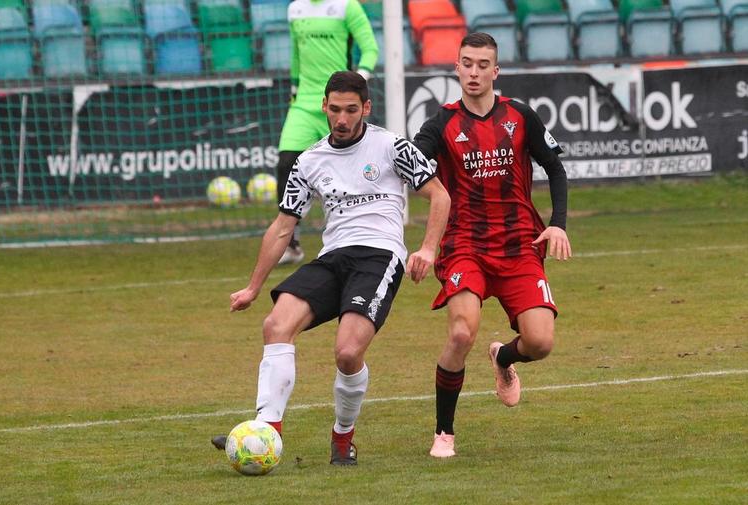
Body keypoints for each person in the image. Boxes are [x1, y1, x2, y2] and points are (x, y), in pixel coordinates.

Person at [212, 71, 450, 465]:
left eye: (351, 110)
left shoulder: (391, 146)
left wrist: (427, 248)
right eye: (335, 109)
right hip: (333, 257)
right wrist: (254, 287)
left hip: (379, 256)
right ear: (324, 106)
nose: (341, 119)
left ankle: (343, 437)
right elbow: (283, 226)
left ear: (366, 109)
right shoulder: (309, 161)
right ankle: (265, 431)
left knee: (346, 353)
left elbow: (439, 196)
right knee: (275, 325)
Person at [412, 32, 572, 458]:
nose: (475, 71)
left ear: (495, 71)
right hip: (465, 245)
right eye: (468, 63)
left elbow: (556, 168)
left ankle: (504, 359)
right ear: (457, 68)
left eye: (484, 64)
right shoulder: (440, 125)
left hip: (519, 244)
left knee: (540, 343)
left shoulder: (520, 116)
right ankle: (444, 432)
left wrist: (557, 224)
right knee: (462, 331)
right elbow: (412, 169)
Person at [276, 0, 379, 265]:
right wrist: (294, 86)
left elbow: (370, 48)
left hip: (339, 103)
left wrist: (359, 82)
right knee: (287, 162)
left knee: (350, 165)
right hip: (305, 102)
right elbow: (296, 56)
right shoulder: (295, 9)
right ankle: (290, 243)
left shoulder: (348, 7)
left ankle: (360, 233)